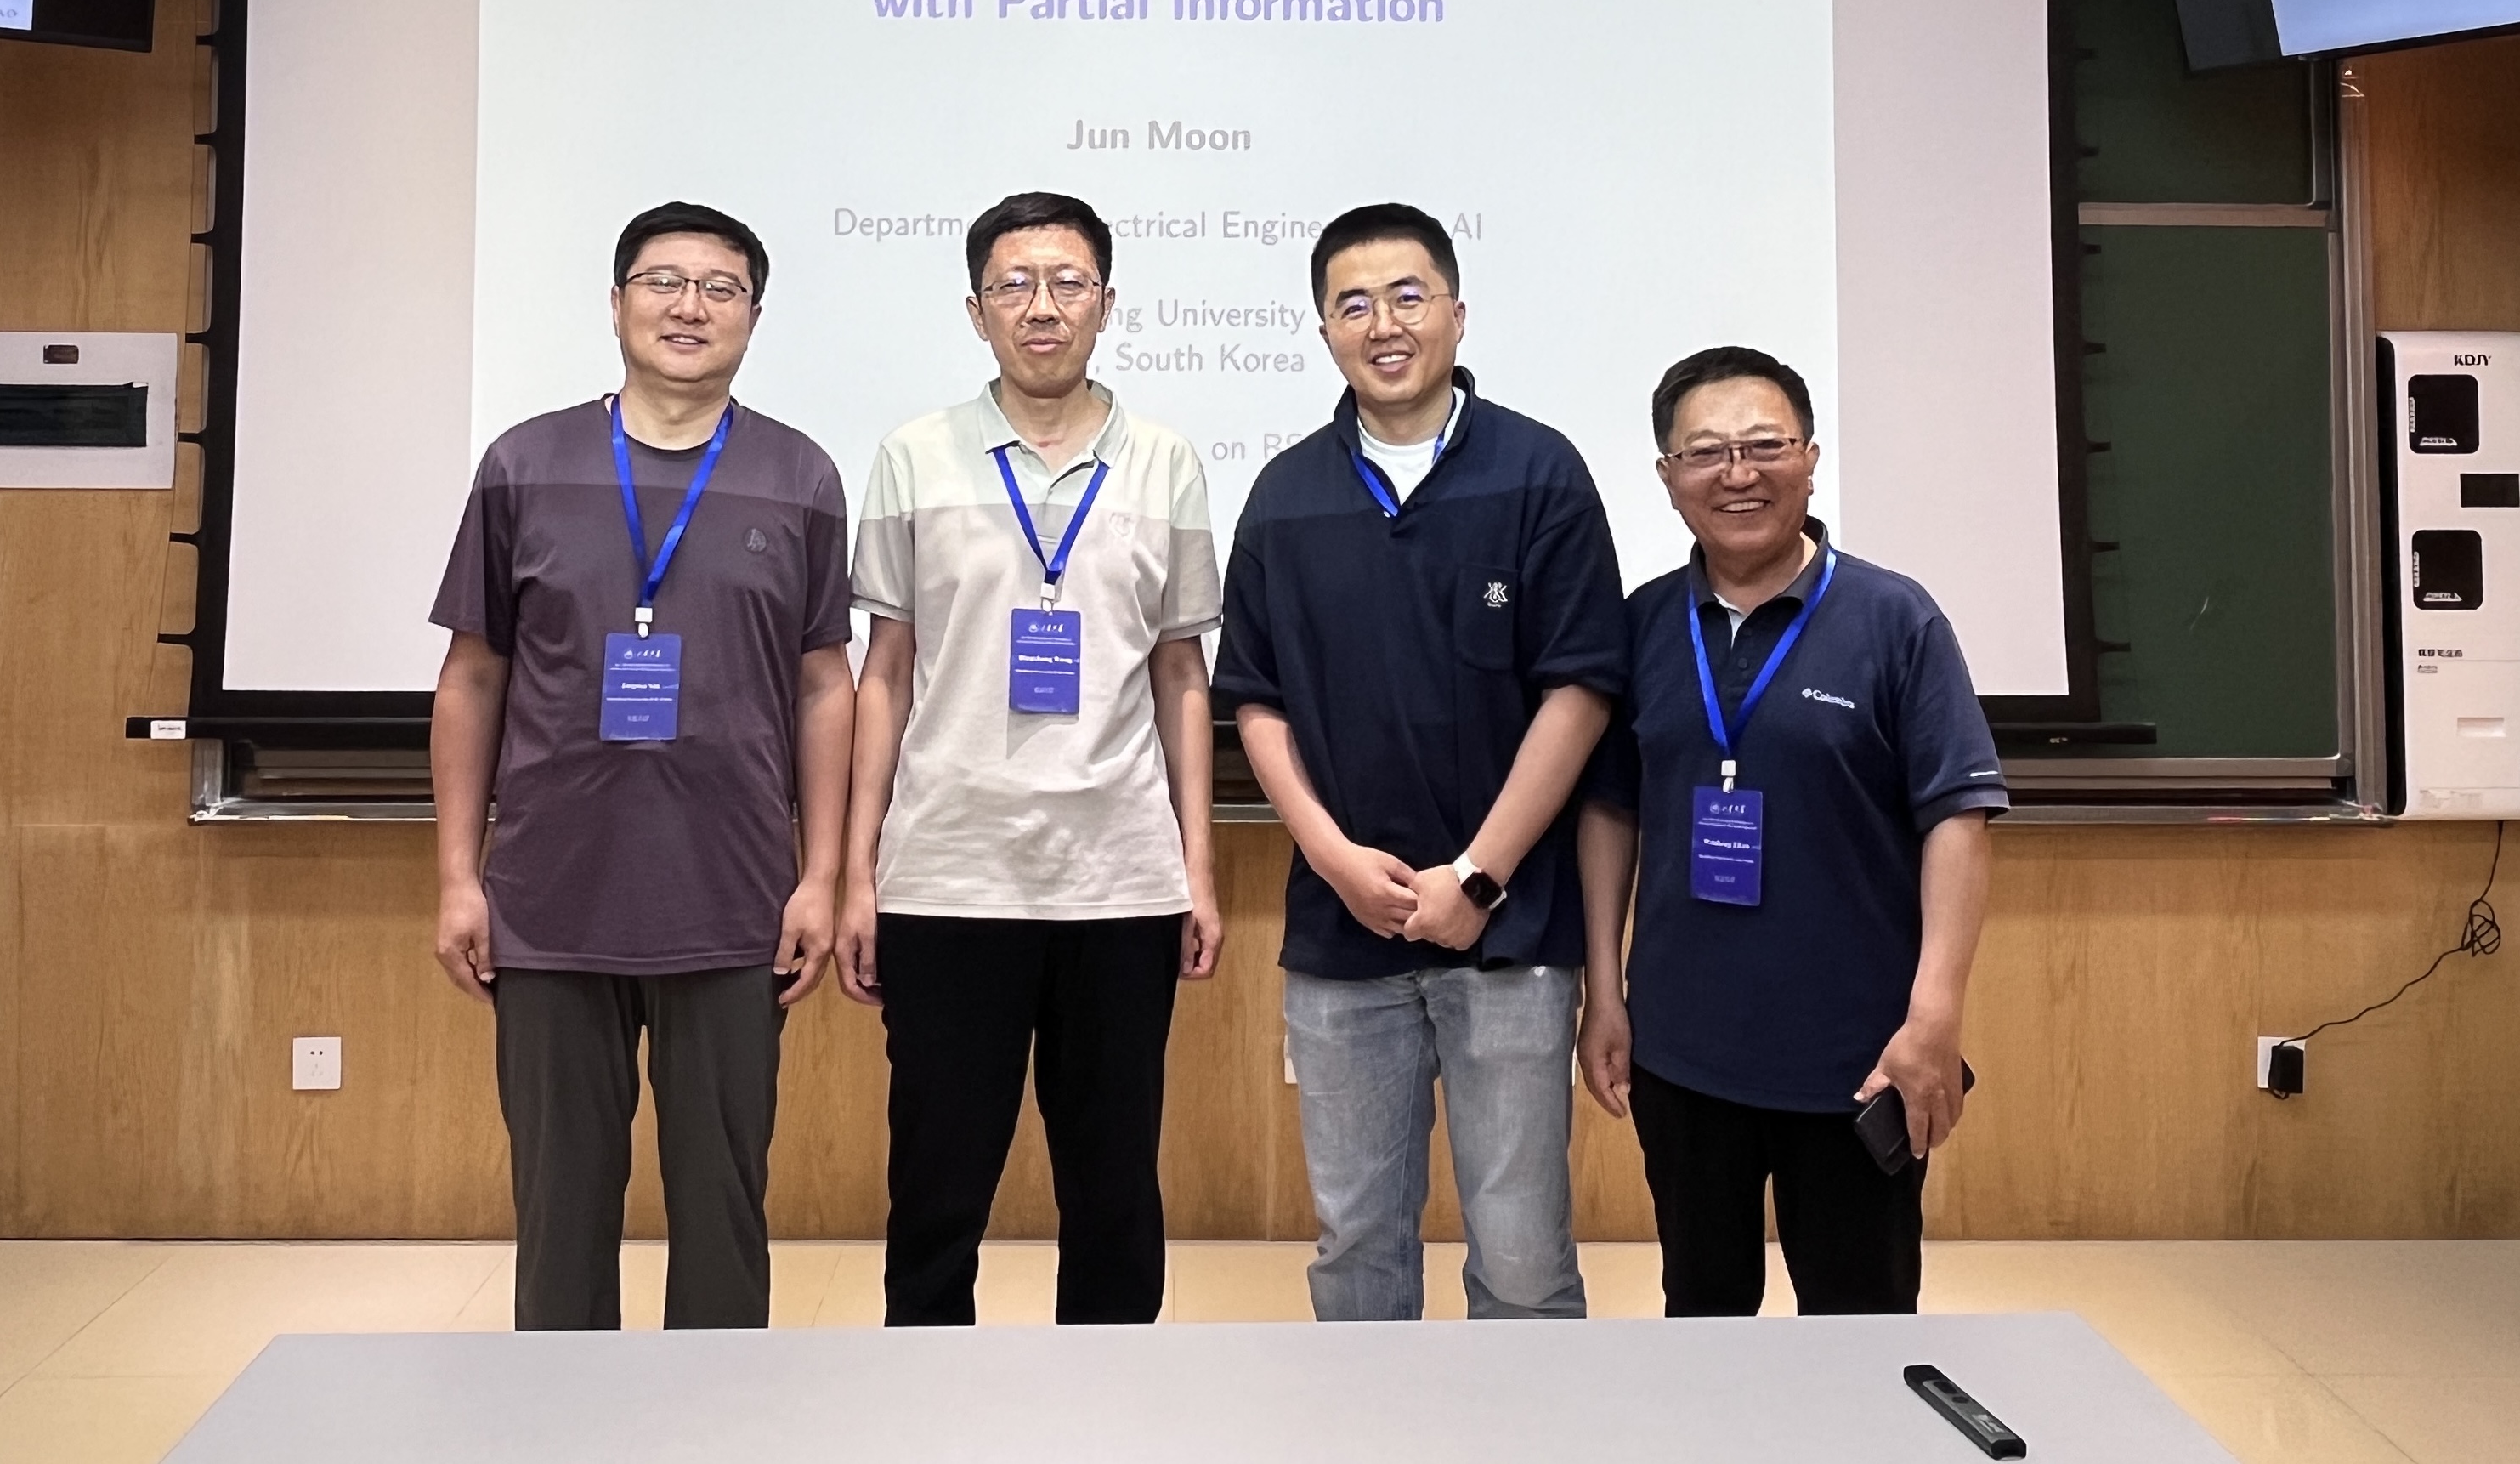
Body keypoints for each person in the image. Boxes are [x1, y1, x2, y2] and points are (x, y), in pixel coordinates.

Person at [426, 200, 855, 1331]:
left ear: (753, 316)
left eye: (720, 287)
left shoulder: (799, 473)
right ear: (617, 303)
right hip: (550, 900)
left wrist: (818, 876)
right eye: (664, 281)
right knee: (560, 1212)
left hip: (735, 902)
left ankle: (715, 1416)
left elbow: (825, 685)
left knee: (723, 1211)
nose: (689, 306)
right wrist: (460, 877)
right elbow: (472, 678)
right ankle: (561, 1417)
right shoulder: (524, 463)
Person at [1214, 202, 1626, 1322]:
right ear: (1323, 330)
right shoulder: (1286, 495)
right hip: (1341, 938)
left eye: (1408, 296)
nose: (1383, 325)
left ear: (1456, 311)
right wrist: (1332, 856)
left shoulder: (1539, 472)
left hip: (1511, 933)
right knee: (1356, 1249)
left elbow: (1581, 691)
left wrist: (1478, 876)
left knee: (1523, 1254)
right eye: (1352, 305)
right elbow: (1256, 700)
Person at [836, 190, 1224, 1327]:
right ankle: (927, 1403)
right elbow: (884, 672)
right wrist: (858, 873)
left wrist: (1197, 869)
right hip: (948, 875)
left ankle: (1109, 1406)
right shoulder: (913, 456)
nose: (1041, 306)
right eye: (1013, 285)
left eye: (1066, 283)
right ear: (976, 310)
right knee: (937, 1189)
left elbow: (1182, 675)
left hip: (1120, 882)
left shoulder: (1165, 462)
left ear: (1106, 302)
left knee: (1113, 1190)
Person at [1577, 343, 2004, 1318]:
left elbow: (1958, 818)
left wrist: (1934, 1017)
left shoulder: (1896, 619)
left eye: (1765, 445)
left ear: (1810, 459)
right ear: (1667, 477)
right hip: (1683, 1054)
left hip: (1859, 1058)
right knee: (1704, 1316)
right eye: (1707, 453)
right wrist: (1606, 991)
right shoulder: (1642, 625)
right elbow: (1610, 810)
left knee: (1860, 1329)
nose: (1738, 474)